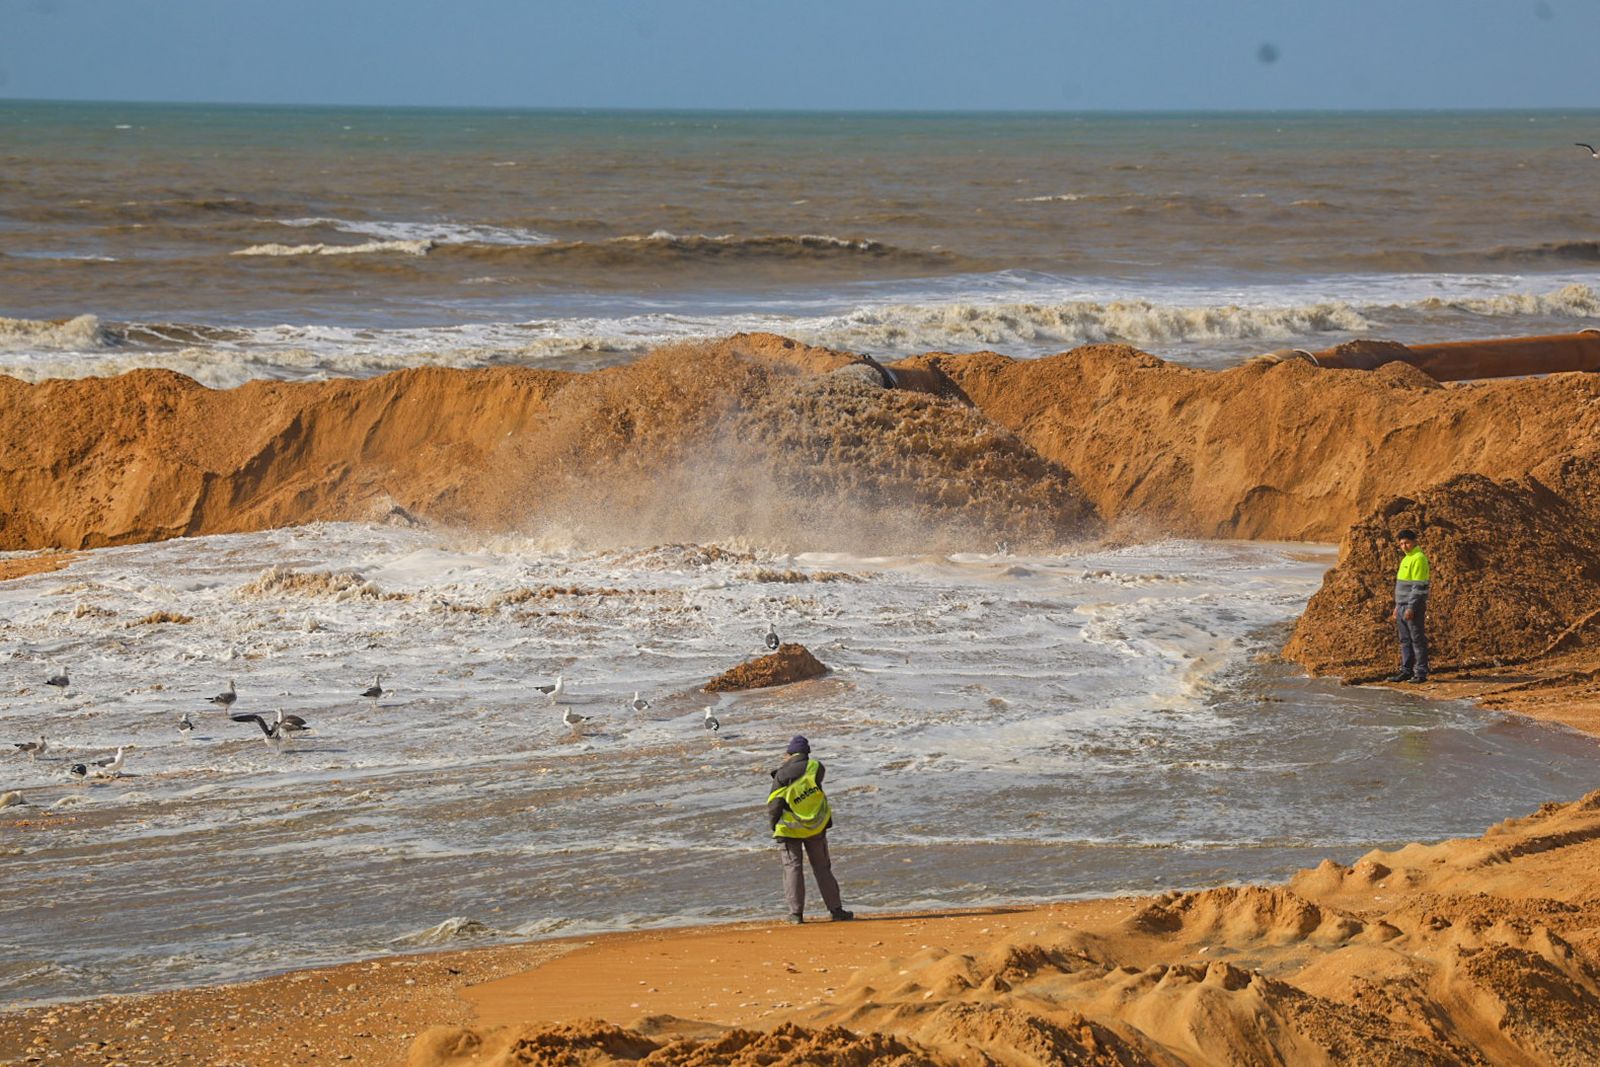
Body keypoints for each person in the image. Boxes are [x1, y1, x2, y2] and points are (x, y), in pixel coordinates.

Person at [766, 735, 854, 924]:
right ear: (807, 752)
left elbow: (774, 806)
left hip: (789, 829)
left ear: (788, 754)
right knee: (823, 868)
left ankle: (796, 915)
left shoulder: (781, 775)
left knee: (793, 869)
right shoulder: (816, 767)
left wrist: (773, 825)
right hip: (816, 825)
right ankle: (836, 910)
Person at [1388, 528, 1431, 683]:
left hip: (1412, 606)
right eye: (1401, 544)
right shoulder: (1406, 559)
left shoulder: (1419, 558)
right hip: (1401, 606)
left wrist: (1411, 607)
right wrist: (1397, 606)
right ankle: (1406, 671)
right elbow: (1402, 586)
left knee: (1417, 639)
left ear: (1414, 541)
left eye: (1406, 542)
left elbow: (1419, 586)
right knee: (1405, 640)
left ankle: (1420, 673)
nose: (1404, 546)